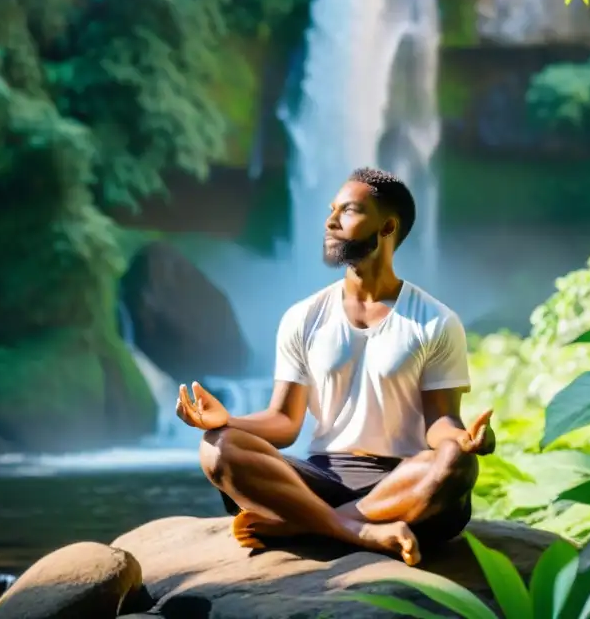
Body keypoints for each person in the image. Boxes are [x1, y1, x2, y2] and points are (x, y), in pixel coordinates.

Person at [175, 167, 495, 566]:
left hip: (403, 483)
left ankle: (305, 525)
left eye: (348, 211)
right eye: (332, 210)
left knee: (455, 463)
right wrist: (227, 421)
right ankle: (353, 529)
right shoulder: (303, 316)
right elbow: (284, 422)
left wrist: (462, 440)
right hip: (322, 479)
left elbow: (440, 422)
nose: (330, 221)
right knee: (217, 448)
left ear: (387, 226)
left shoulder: (436, 321)